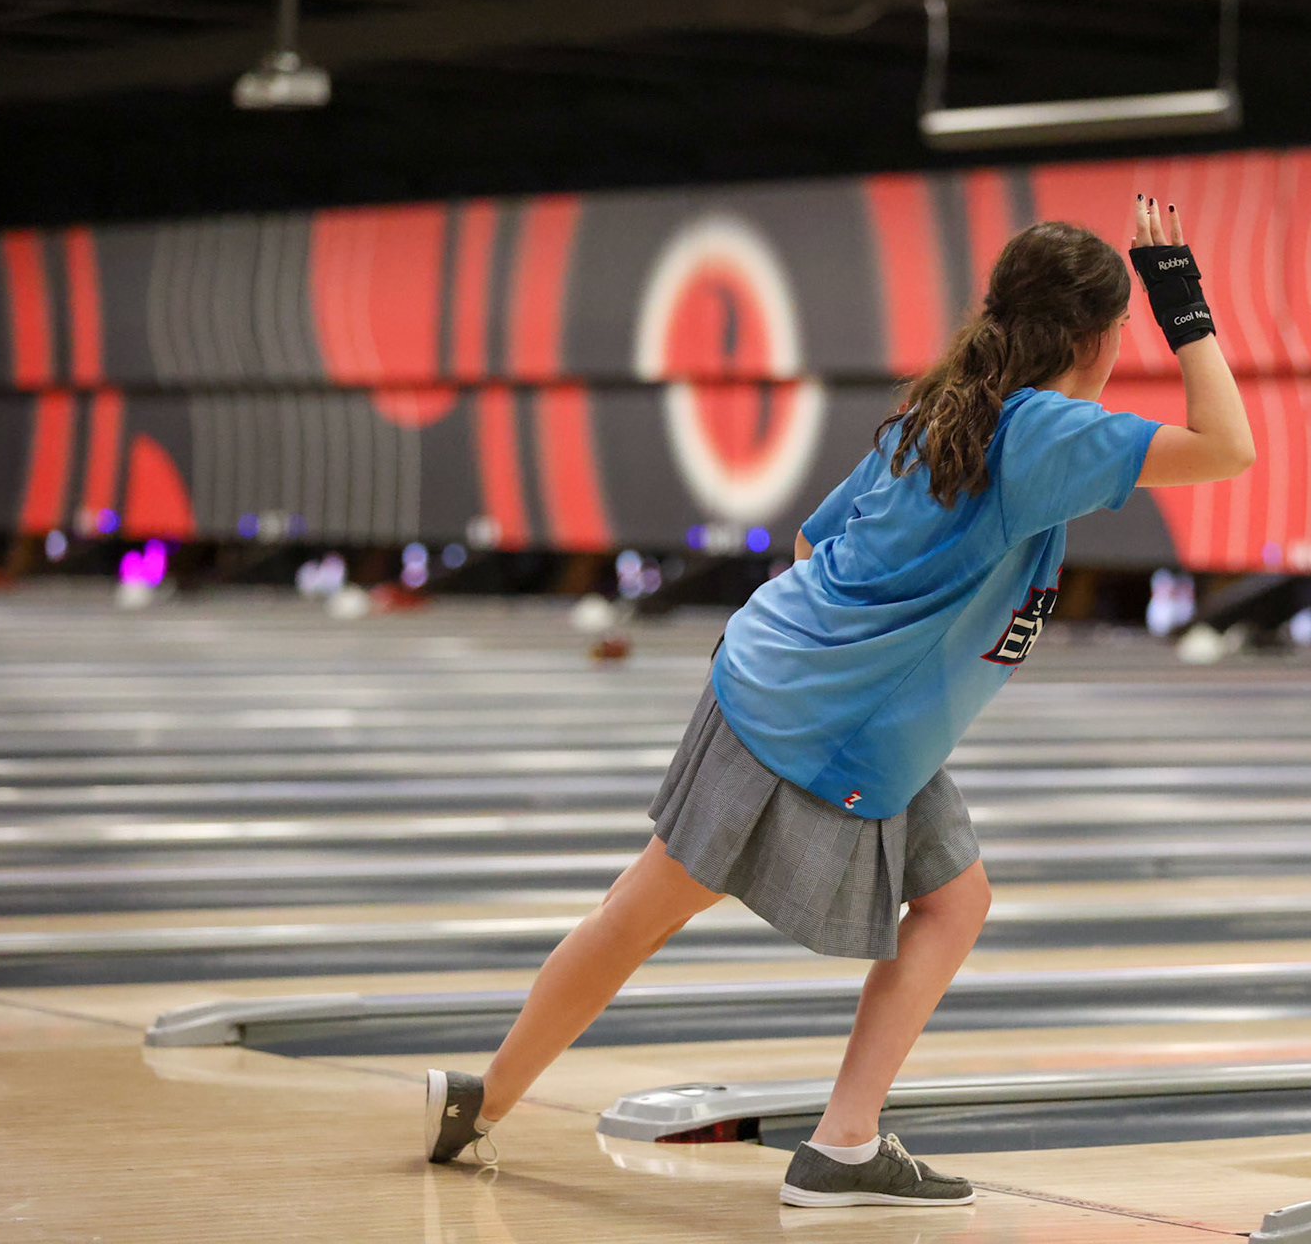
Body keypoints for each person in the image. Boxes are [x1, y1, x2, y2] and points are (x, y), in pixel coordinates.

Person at [420, 199, 1256, 1207]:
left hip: (802, 685)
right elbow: (1227, 447)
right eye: (1122, 330)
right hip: (831, 719)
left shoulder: (947, 403)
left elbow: (815, 542)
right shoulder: (1043, 431)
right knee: (656, 906)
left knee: (925, 900)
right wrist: (1184, 304)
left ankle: (797, 1138)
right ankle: (823, 1142)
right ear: (1097, 338)